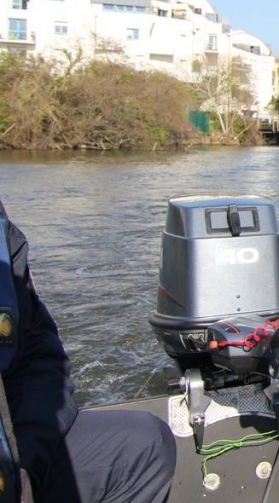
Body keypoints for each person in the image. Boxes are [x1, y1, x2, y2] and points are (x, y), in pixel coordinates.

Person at [0, 199, 176, 502]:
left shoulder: (5, 237)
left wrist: (27, 462)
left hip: (15, 453)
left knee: (142, 445)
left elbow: (39, 360)